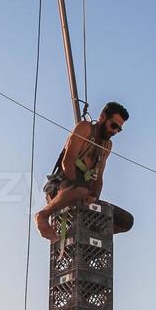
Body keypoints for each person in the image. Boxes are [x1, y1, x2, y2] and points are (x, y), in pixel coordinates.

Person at [34, 102, 128, 242]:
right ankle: (42, 216)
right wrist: (79, 189)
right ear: (102, 117)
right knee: (81, 191)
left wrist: (93, 197)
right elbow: (68, 161)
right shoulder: (85, 128)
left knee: (126, 221)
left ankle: (85, 235)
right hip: (62, 186)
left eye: (119, 130)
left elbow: (99, 178)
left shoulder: (107, 145)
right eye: (113, 126)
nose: (114, 132)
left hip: (83, 194)